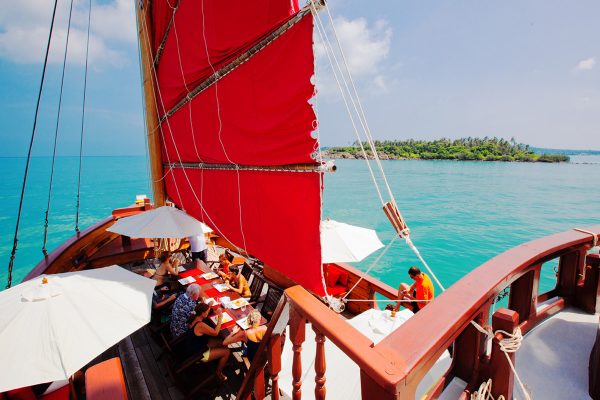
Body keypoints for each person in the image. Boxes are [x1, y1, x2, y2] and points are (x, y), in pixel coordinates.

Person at [183, 303, 231, 382]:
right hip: (197, 355)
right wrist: (220, 318)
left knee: (222, 342)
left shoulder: (194, 317)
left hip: (193, 345)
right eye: (207, 311)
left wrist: (208, 305)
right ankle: (218, 373)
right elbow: (215, 333)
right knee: (227, 351)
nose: (208, 312)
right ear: (202, 313)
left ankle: (219, 360)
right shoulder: (200, 325)